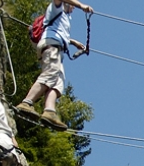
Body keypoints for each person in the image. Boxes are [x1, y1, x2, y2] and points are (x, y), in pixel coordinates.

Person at [14, 0, 94, 129]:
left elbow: (58, 31)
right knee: (50, 74)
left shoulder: (64, 18)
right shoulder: (56, 8)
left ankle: (49, 111)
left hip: (56, 48)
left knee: (58, 81)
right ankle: (27, 102)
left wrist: (74, 43)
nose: (73, 8)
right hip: (51, 46)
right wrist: (81, 5)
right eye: (72, 5)